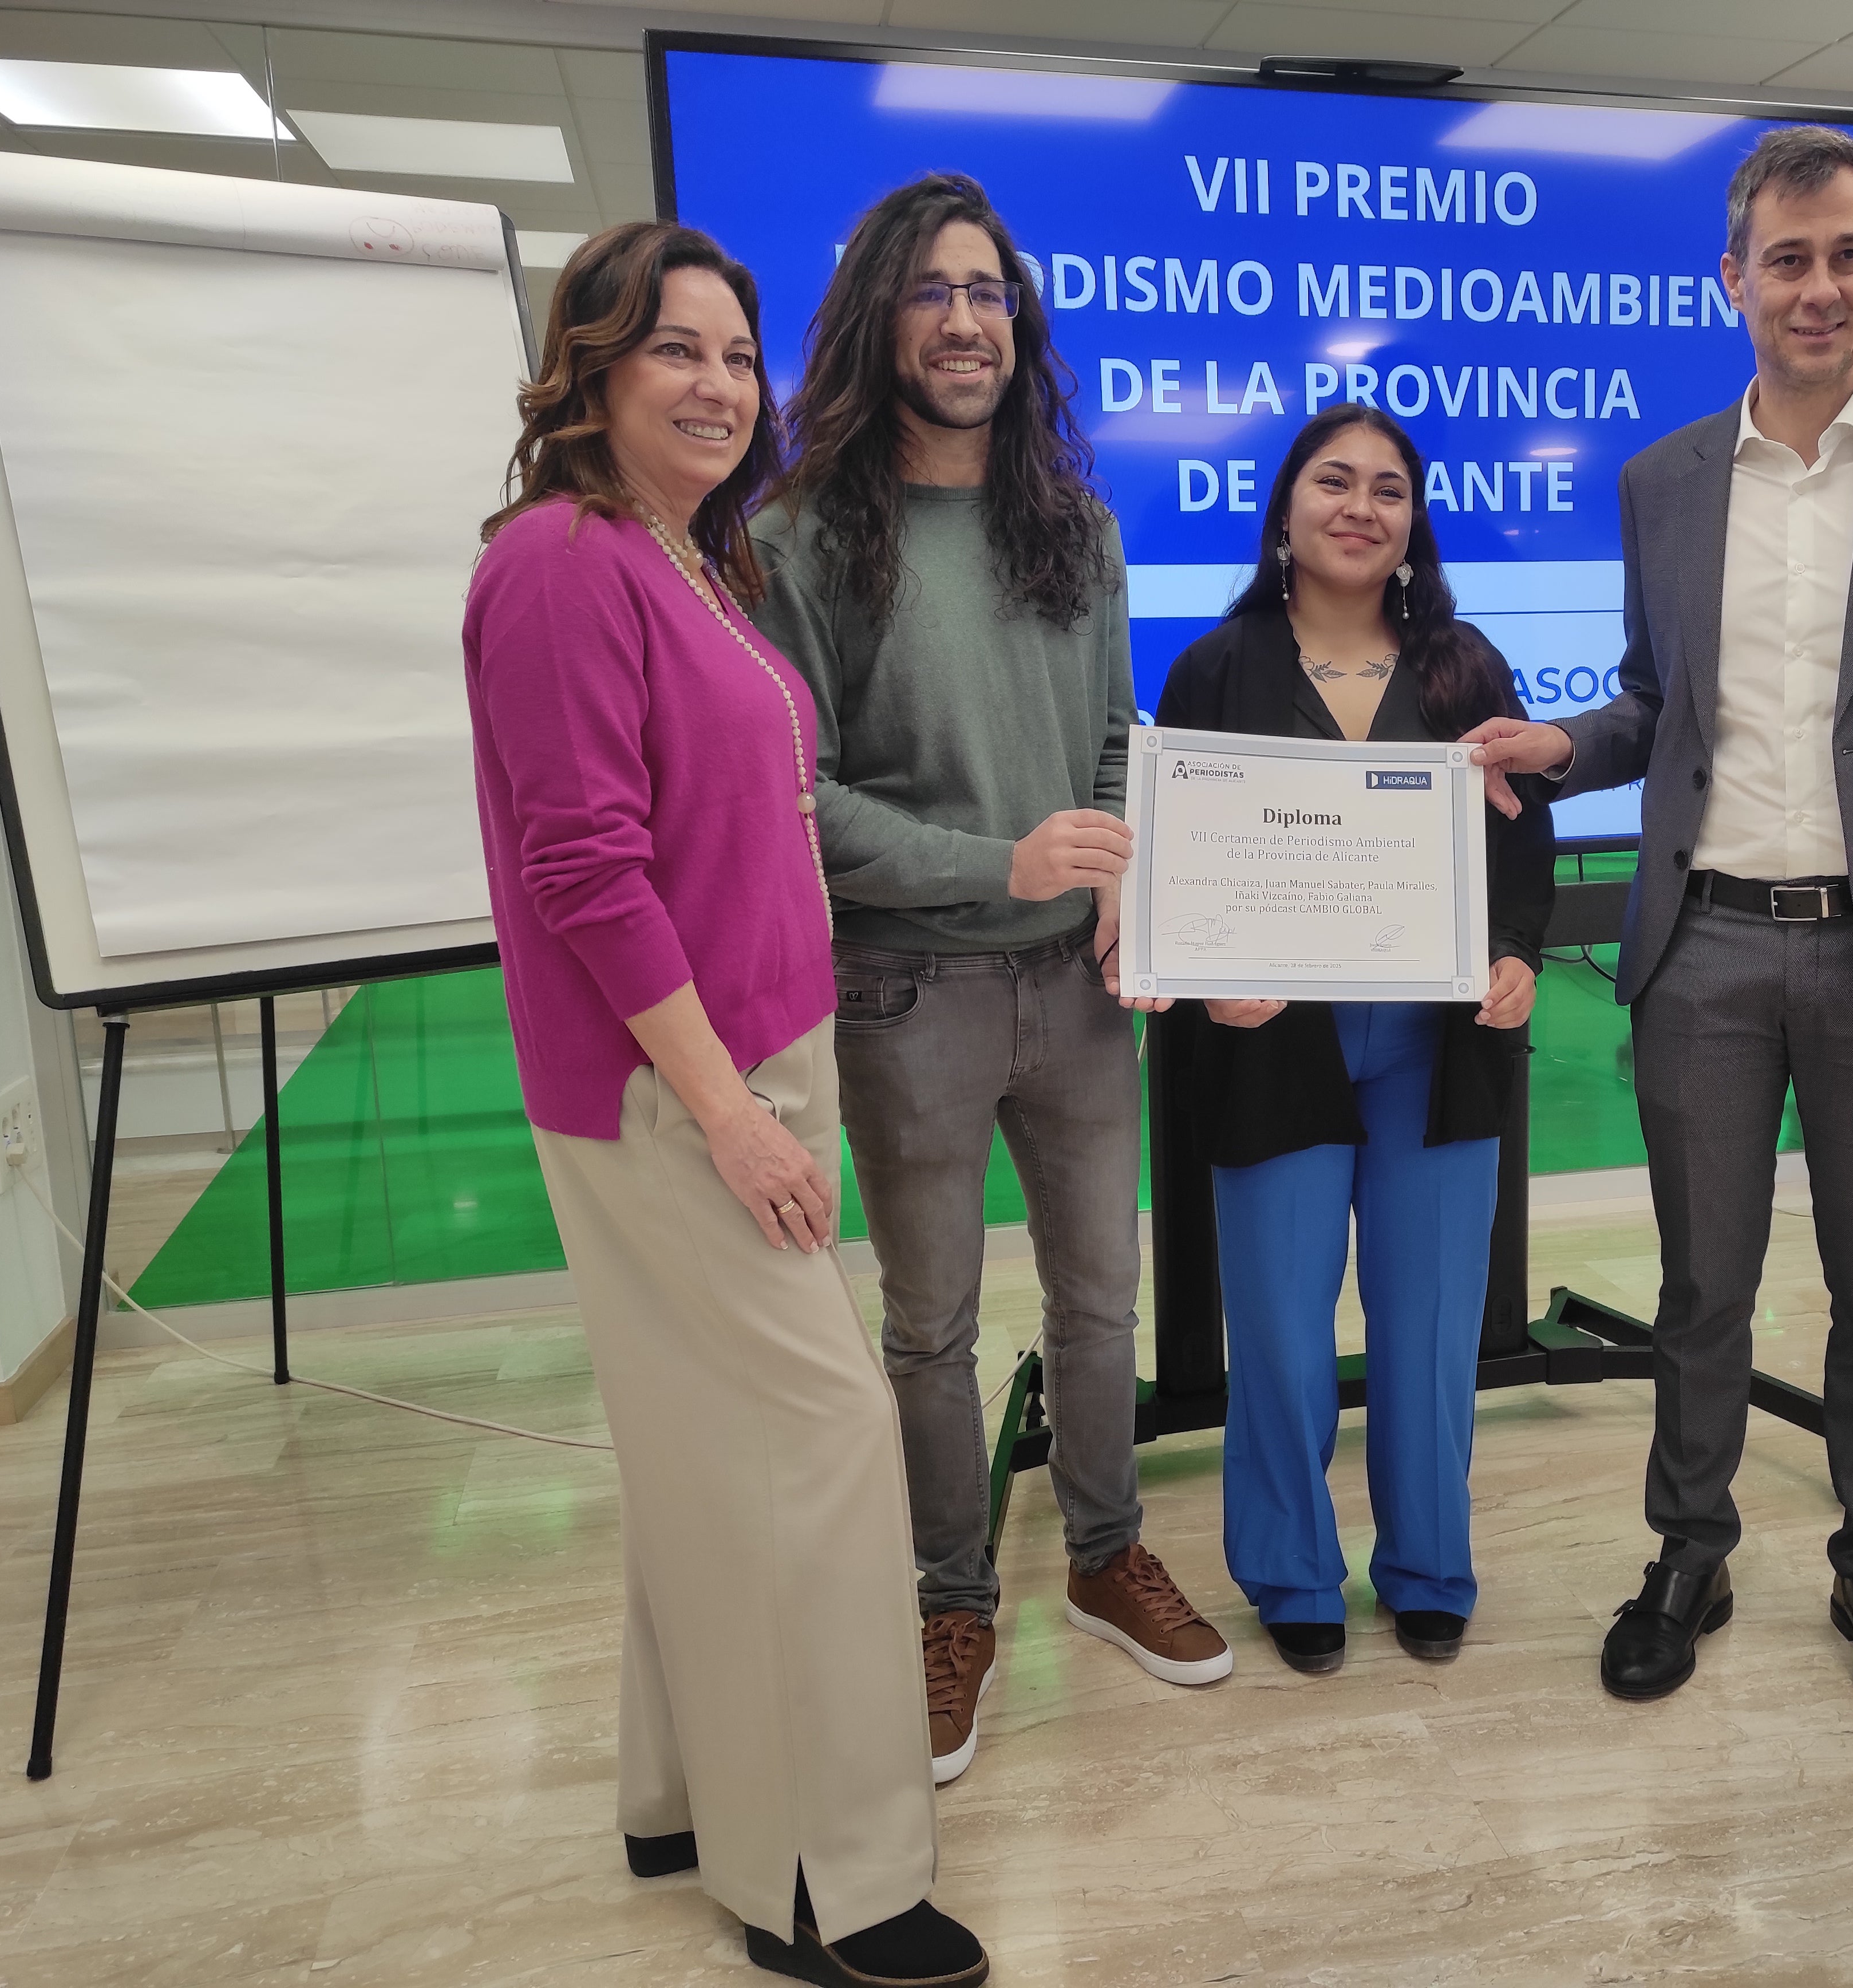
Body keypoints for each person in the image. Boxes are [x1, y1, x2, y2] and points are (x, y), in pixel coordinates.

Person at [1469, 126, 1853, 1730]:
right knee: (1701, 1288)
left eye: (1848, 254)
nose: (1819, 287)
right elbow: (1662, 706)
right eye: (1786, 258)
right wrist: (1559, 747)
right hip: (1707, 950)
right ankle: (1691, 1551)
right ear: (1732, 278)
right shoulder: (1663, 480)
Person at [467, 222, 986, 1986]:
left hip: (753, 1060)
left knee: (708, 1447)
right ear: (592, 372)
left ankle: (679, 1788)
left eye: (736, 356)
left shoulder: (694, 561)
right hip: (671, 1090)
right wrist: (735, 1113)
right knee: (816, 1452)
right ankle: (822, 1884)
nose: (714, 384)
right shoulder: (559, 563)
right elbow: (589, 871)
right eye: (672, 349)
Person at [751, 173, 1230, 1786]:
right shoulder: (797, 534)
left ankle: (1104, 1556)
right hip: (907, 994)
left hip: (1085, 995)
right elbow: (798, 798)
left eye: (991, 293)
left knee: (1104, 1303)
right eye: (934, 292)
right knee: (931, 1329)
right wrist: (997, 868)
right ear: (880, 317)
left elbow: (1110, 737)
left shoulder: (1074, 528)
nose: (968, 321)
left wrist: (1117, 887)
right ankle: (951, 1603)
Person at [1153, 406, 1552, 1675]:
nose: (1361, 505)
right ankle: (1287, 1569)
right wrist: (1208, 975)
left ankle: (1430, 1563)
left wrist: (1519, 959)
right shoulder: (1217, 668)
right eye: (1335, 480)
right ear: (1284, 510)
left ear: (1411, 525)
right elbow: (1178, 862)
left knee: (1431, 1325)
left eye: (1390, 488)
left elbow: (1520, 839)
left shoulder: (1466, 668)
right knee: (1276, 1323)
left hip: (1440, 1050)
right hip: (1272, 1048)